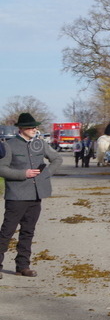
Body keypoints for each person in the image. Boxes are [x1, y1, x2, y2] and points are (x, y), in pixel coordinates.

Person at [0, 113, 63, 277]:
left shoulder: (40, 144)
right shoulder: (8, 145)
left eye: (36, 127)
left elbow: (57, 159)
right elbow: (1, 169)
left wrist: (46, 174)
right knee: (7, 231)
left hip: (36, 196)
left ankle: (23, 266)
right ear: (21, 129)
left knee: (28, 231)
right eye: (31, 127)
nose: (35, 129)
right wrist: (24, 173)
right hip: (16, 196)